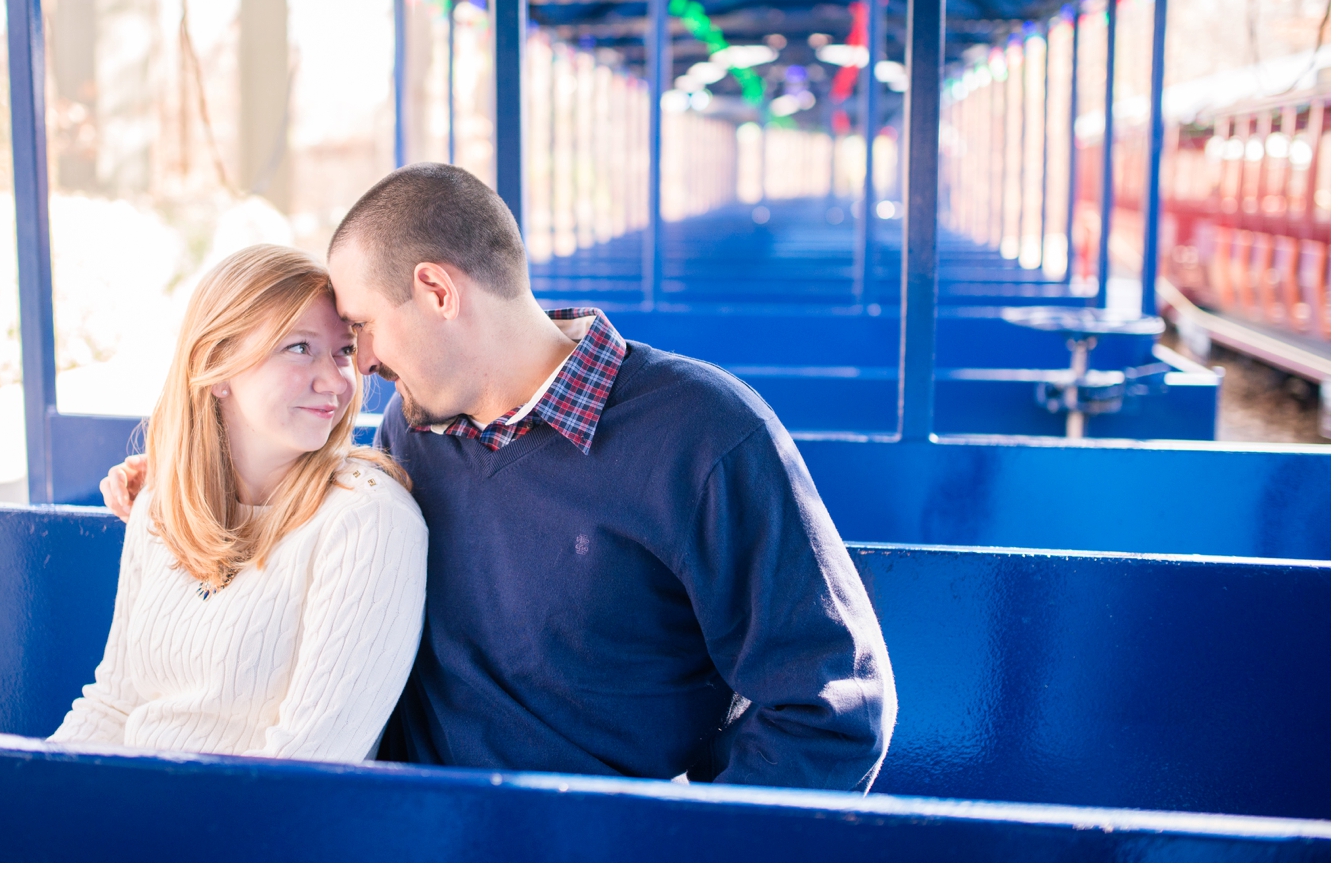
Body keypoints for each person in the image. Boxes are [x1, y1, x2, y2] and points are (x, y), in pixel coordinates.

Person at [103, 165, 895, 789]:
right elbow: (305, 511)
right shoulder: (411, 432)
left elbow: (831, 705)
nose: (365, 364)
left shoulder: (705, 434)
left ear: (439, 291)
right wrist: (180, 476)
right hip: (420, 833)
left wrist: (686, 839)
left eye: (364, 329)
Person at [53, 245, 426, 762]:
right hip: (131, 814)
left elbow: (310, 761)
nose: (336, 380)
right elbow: (115, 707)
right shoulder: (160, 508)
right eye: (299, 348)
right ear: (216, 366)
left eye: (343, 351)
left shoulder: (368, 520)